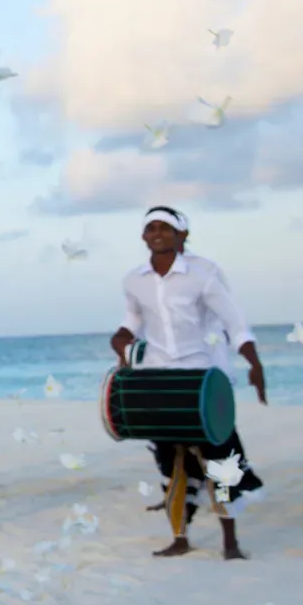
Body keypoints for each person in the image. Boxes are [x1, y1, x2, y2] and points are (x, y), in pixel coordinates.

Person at [110, 206, 267, 560]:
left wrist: (254, 363)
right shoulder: (134, 280)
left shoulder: (205, 273)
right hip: (159, 377)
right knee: (170, 462)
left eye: (165, 227)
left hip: (204, 377)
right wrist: (120, 338)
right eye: (150, 227)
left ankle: (230, 541)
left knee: (220, 461)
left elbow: (235, 322)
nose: (157, 233)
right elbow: (131, 321)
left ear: (182, 235)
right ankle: (180, 537)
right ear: (143, 236)